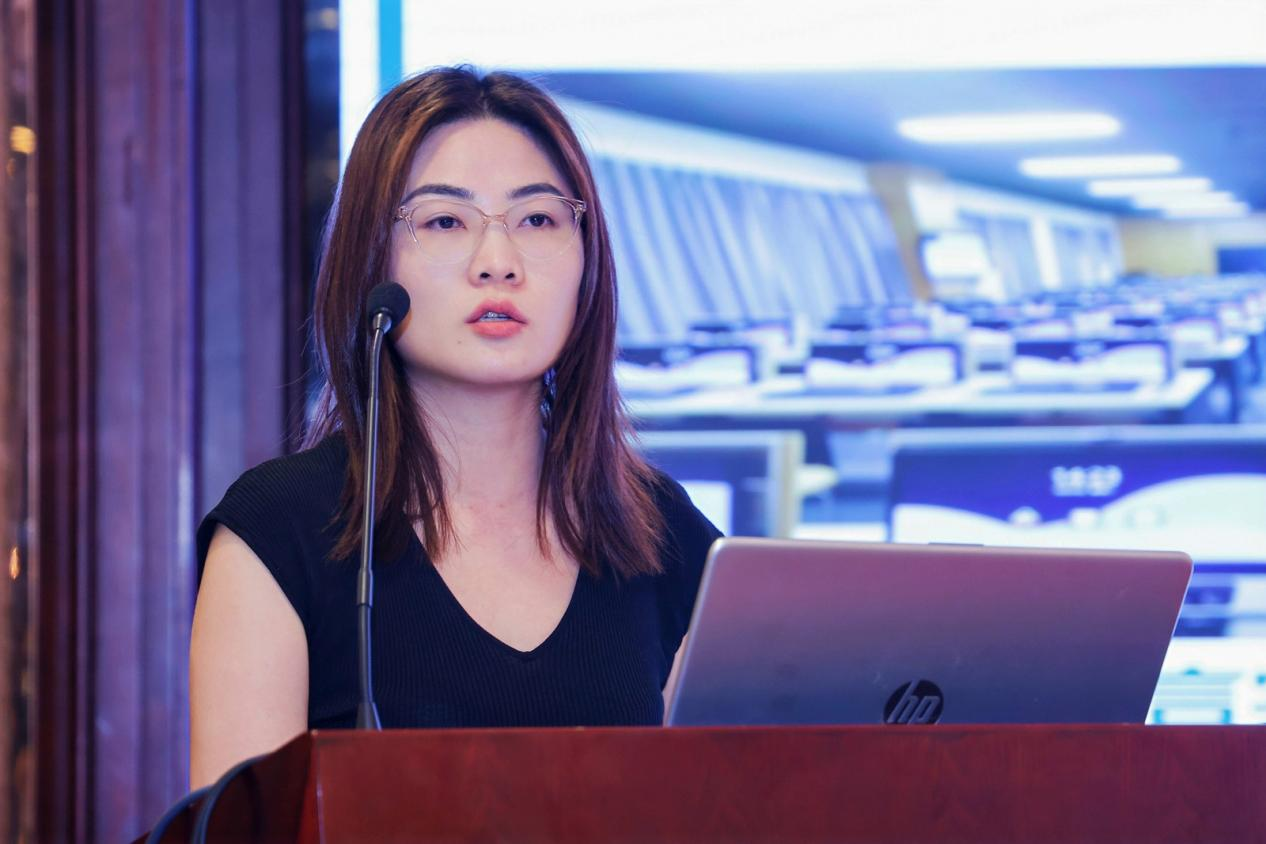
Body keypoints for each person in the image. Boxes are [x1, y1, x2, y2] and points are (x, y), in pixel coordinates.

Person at [188, 67, 721, 788]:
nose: (498, 264)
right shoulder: (278, 531)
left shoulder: (662, 531)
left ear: (588, 261)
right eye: (444, 222)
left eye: (538, 220)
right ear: (370, 260)